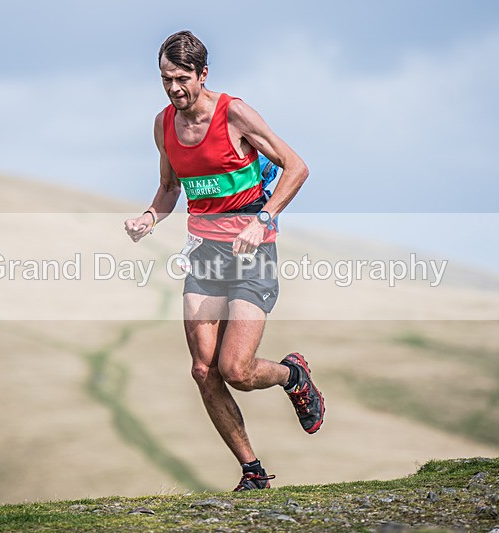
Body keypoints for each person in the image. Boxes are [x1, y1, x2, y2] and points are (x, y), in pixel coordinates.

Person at [124, 30, 324, 491]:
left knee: (236, 370)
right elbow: (171, 187)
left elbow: (297, 167)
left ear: (203, 74)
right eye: (165, 79)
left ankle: (293, 375)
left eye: (181, 78)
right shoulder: (163, 125)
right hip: (206, 258)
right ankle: (252, 471)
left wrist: (263, 219)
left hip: (252, 255)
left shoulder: (234, 114)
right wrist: (150, 217)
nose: (173, 88)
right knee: (202, 370)